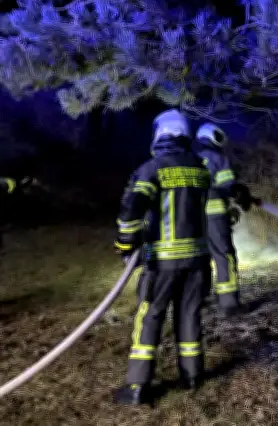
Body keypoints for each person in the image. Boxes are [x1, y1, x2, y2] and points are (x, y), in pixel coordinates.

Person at [112, 109, 212, 405]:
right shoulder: (201, 168)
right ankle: (192, 376)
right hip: (197, 261)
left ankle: (137, 386)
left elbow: (132, 208)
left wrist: (125, 242)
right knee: (189, 315)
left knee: (151, 315)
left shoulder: (152, 169)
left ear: (161, 134)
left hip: (163, 263)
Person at [194, 123, 257, 318]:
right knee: (224, 255)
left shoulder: (191, 159)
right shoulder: (218, 158)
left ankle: (199, 299)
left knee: (200, 258)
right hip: (215, 214)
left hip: (193, 217)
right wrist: (240, 192)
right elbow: (228, 187)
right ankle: (230, 303)